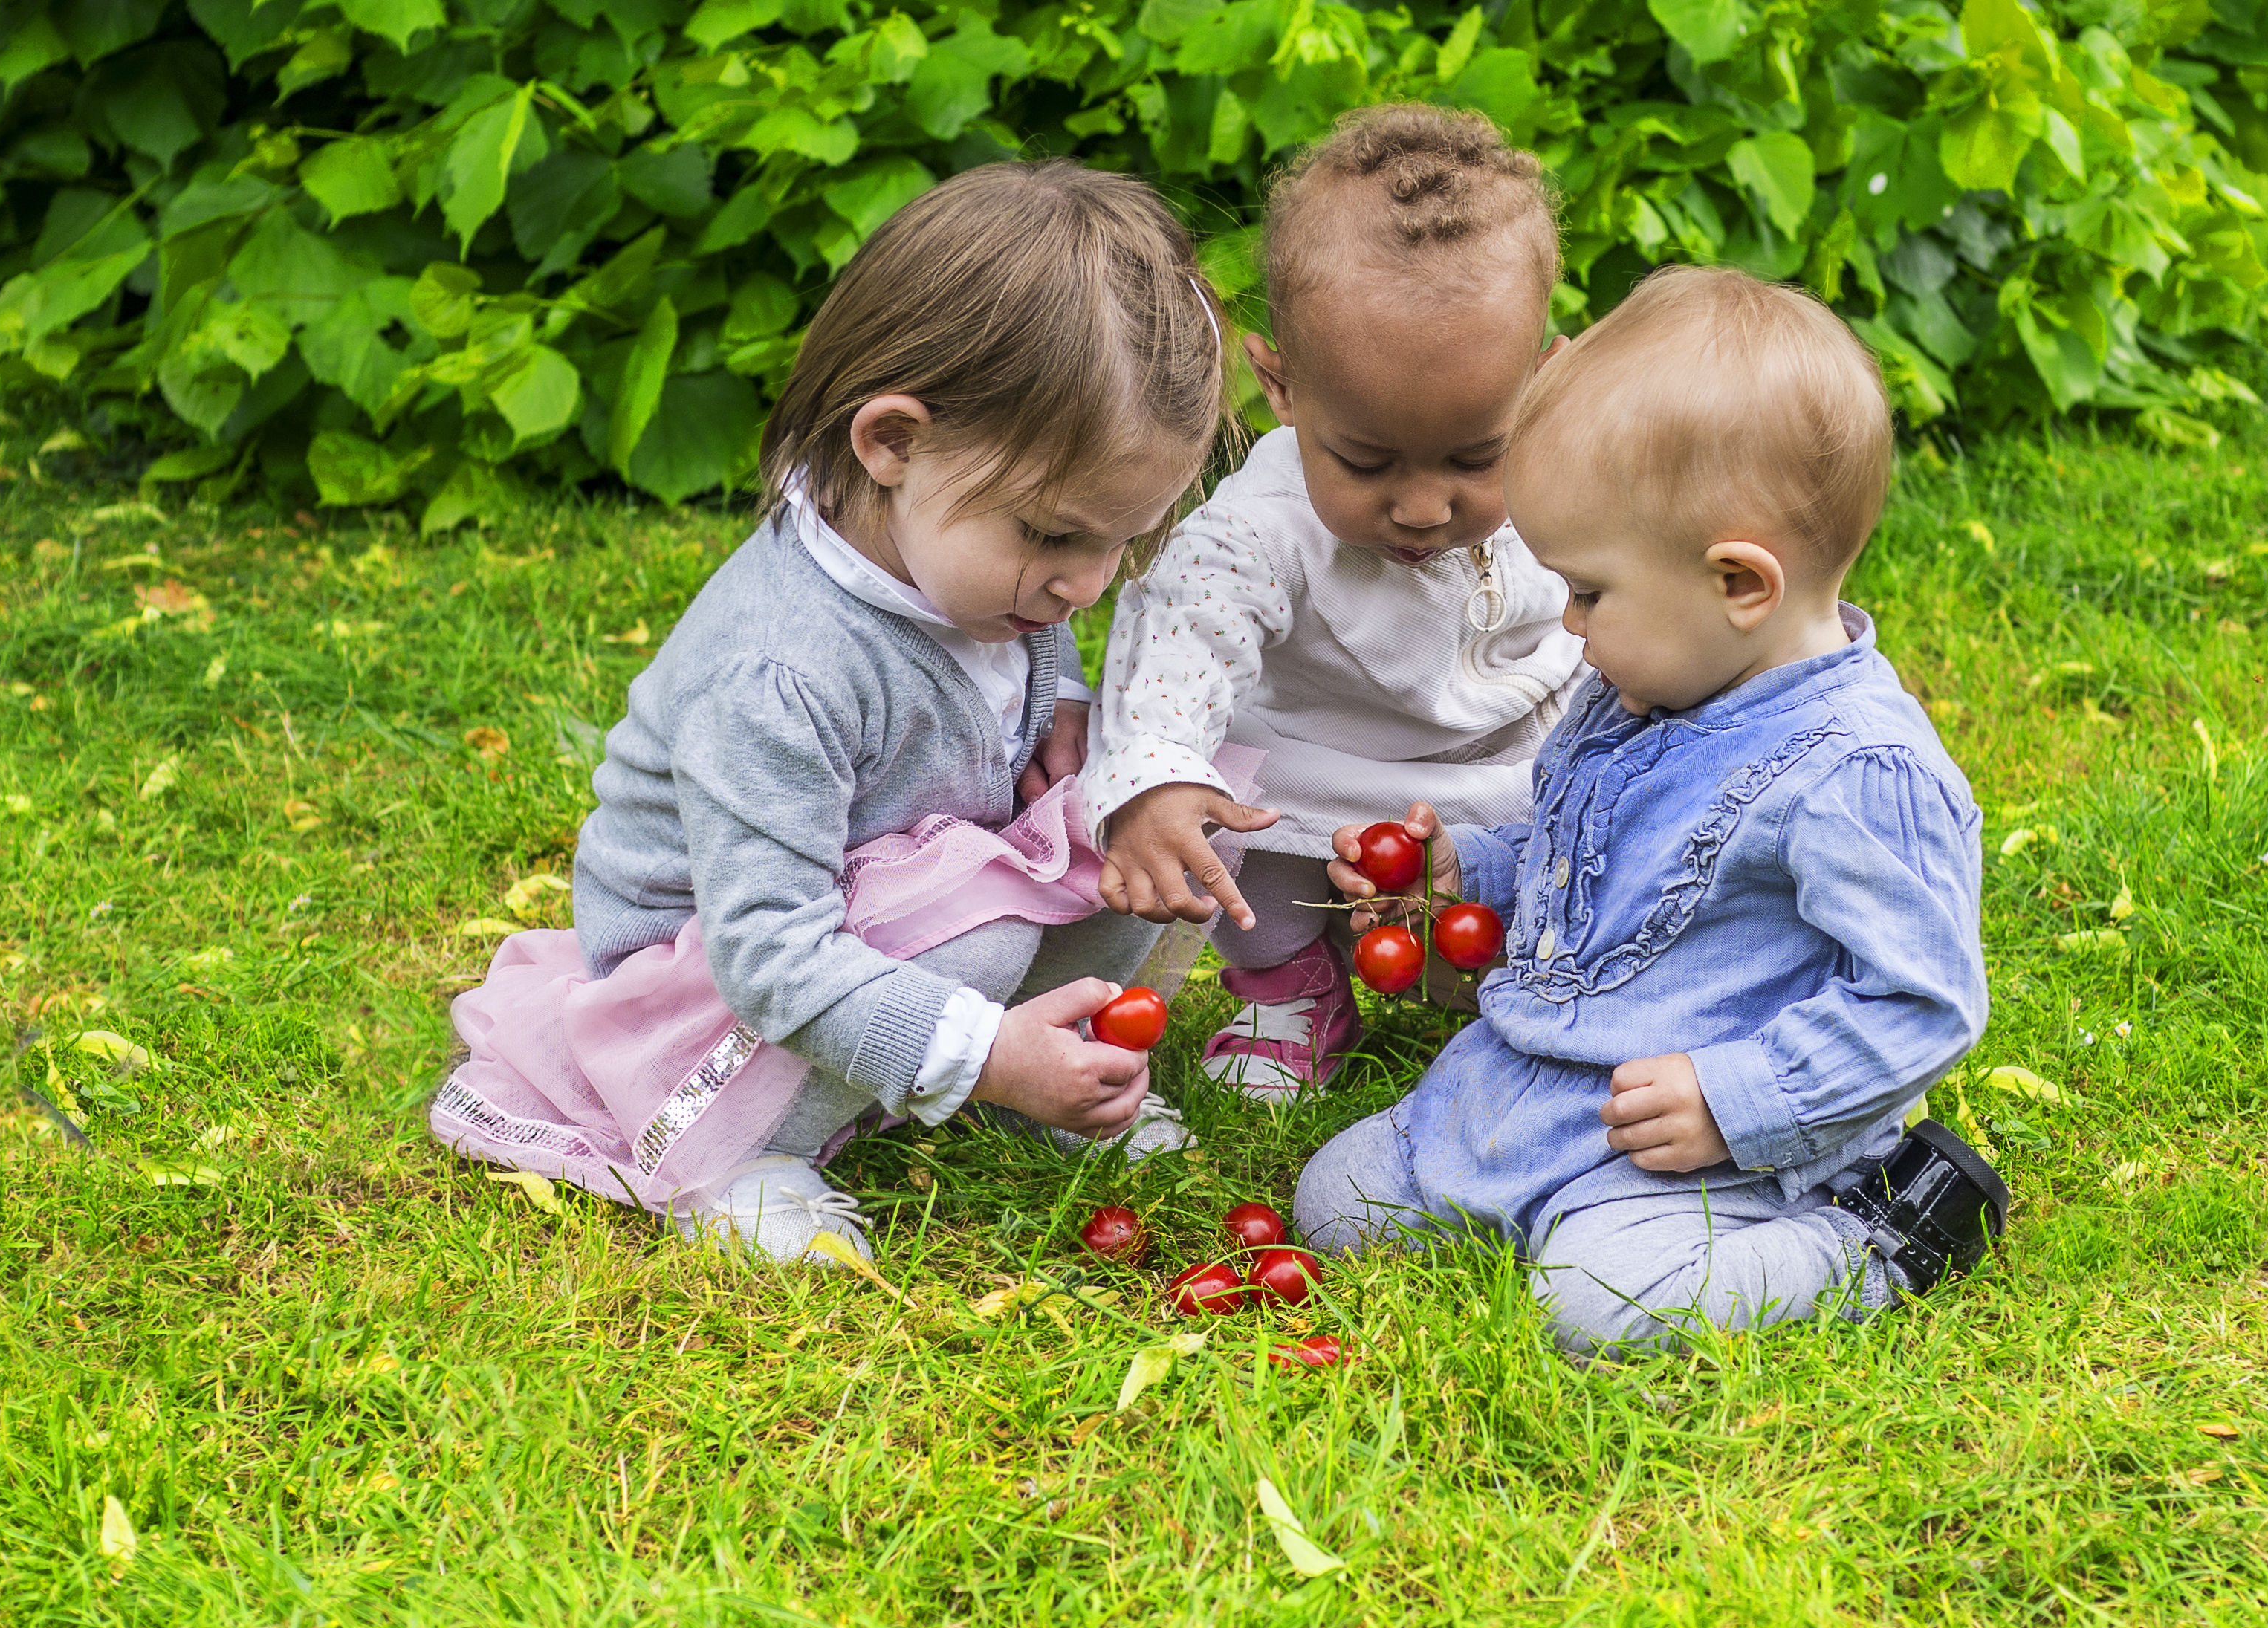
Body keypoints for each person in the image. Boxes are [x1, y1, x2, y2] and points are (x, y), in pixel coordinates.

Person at [430, 160, 1234, 1265]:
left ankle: (1038, 1067)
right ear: (892, 443)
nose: (1086, 586)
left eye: (1123, 541)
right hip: (718, 980)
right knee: (985, 942)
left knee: (1145, 814)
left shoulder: (968, 560)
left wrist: (1077, 717)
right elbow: (769, 953)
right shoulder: (782, 671)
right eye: (1055, 537)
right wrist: (978, 1044)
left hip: (903, 884)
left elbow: (1035, 657)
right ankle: (745, 1159)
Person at [1292, 263, 2005, 1353]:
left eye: (1589, 591)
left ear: (1739, 584)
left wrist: (1737, 1098)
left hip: (1693, 1144)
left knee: (1600, 1308)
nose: (1569, 625)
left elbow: (1922, 999)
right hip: (1529, 1089)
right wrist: (1466, 875)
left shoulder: (1856, 770)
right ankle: (1527, 1197)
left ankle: (1876, 1238)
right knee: (1336, 1206)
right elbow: (1582, 852)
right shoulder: (1645, 686)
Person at [1083, 105, 1587, 1102]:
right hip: (1315, 782)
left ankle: (1520, 978)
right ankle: (1288, 986)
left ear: (1543, 384)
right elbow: (1176, 643)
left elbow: (1623, 602)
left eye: (1475, 456)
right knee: (1235, 834)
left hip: (1506, 771)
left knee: (1582, 848)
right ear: (1281, 386)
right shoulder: (1259, 530)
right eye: (1365, 459)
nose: (1423, 505)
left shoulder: (1571, 476)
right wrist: (1158, 777)